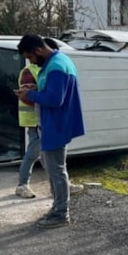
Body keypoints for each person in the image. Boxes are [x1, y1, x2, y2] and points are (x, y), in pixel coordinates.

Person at [15, 35, 85, 228]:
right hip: (51, 125)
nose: (31, 62)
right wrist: (36, 88)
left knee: (56, 171)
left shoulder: (56, 67)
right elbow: (52, 92)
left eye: (30, 57)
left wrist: (29, 94)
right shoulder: (55, 63)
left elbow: (55, 100)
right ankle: (58, 208)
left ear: (38, 50)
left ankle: (61, 214)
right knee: (54, 169)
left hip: (56, 126)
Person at [14, 54, 41, 199]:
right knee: (33, 152)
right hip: (34, 119)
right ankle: (22, 184)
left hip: (40, 119)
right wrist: (44, 103)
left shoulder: (42, 69)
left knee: (45, 153)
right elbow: (25, 96)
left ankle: (61, 184)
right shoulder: (29, 71)